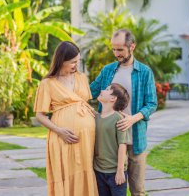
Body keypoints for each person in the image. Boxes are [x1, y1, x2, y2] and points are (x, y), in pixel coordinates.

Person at [90, 29, 158, 196]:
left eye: (120, 49)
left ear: (132, 46)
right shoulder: (107, 70)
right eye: (113, 49)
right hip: (109, 142)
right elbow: (89, 92)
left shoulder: (144, 72)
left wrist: (133, 119)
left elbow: (151, 103)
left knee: (137, 190)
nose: (116, 53)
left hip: (135, 137)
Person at [34, 41, 98, 196]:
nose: (76, 65)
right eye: (73, 62)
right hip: (63, 138)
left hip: (87, 138)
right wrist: (60, 131)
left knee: (86, 169)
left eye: (78, 61)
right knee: (66, 173)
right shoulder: (47, 83)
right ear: (61, 61)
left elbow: (86, 104)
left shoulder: (81, 78)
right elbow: (40, 115)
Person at [94, 83, 130, 196]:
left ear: (113, 98)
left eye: (107, 89)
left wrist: (120, 171)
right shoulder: (96, 117)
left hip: (115, 172)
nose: (103, 90)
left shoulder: (118, 118)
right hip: (99, 171)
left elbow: (122, 145)